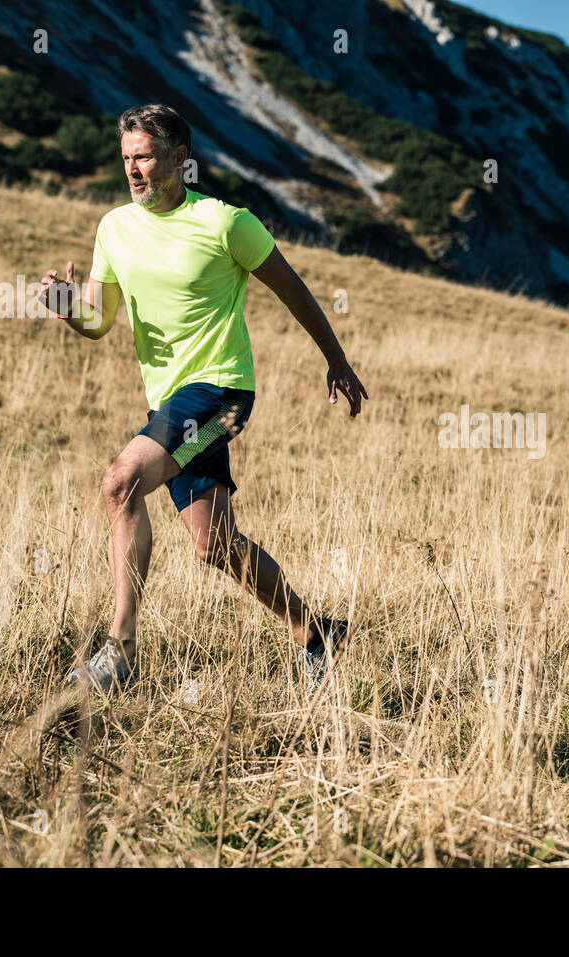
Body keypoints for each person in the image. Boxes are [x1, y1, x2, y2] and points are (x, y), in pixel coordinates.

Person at [37, 104, 367, 691]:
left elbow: (295, 290)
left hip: (224, 396)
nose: (133, 170)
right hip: (170, 403)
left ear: (179, 158)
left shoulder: (225, 223)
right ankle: (317, 633)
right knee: (213, 544)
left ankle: (121, 651)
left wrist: (335, 358)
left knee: (121, 482)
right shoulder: (114, 227)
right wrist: (68, 310)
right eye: (126, 159)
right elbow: (99, 320)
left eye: (144, 156)